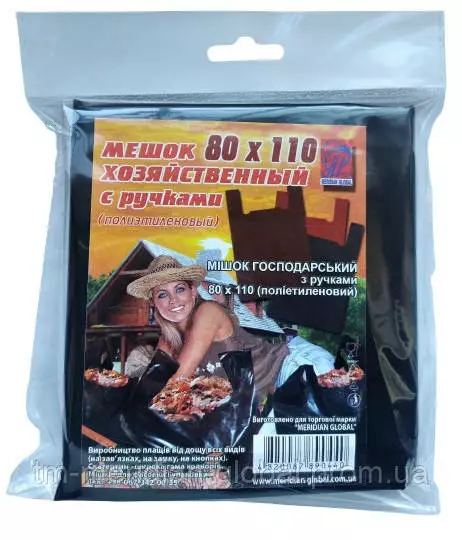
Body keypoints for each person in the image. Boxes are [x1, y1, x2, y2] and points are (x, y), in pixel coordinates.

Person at [127, 255, 334, 403]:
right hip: (262, 397)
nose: (173, 300)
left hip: (292, 367)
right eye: (162, 294)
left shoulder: (208, 312)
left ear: (193, 292)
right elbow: (151, 382)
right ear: (153, 303)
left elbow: (176, 382)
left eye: (179, 289)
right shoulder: (169, 337)